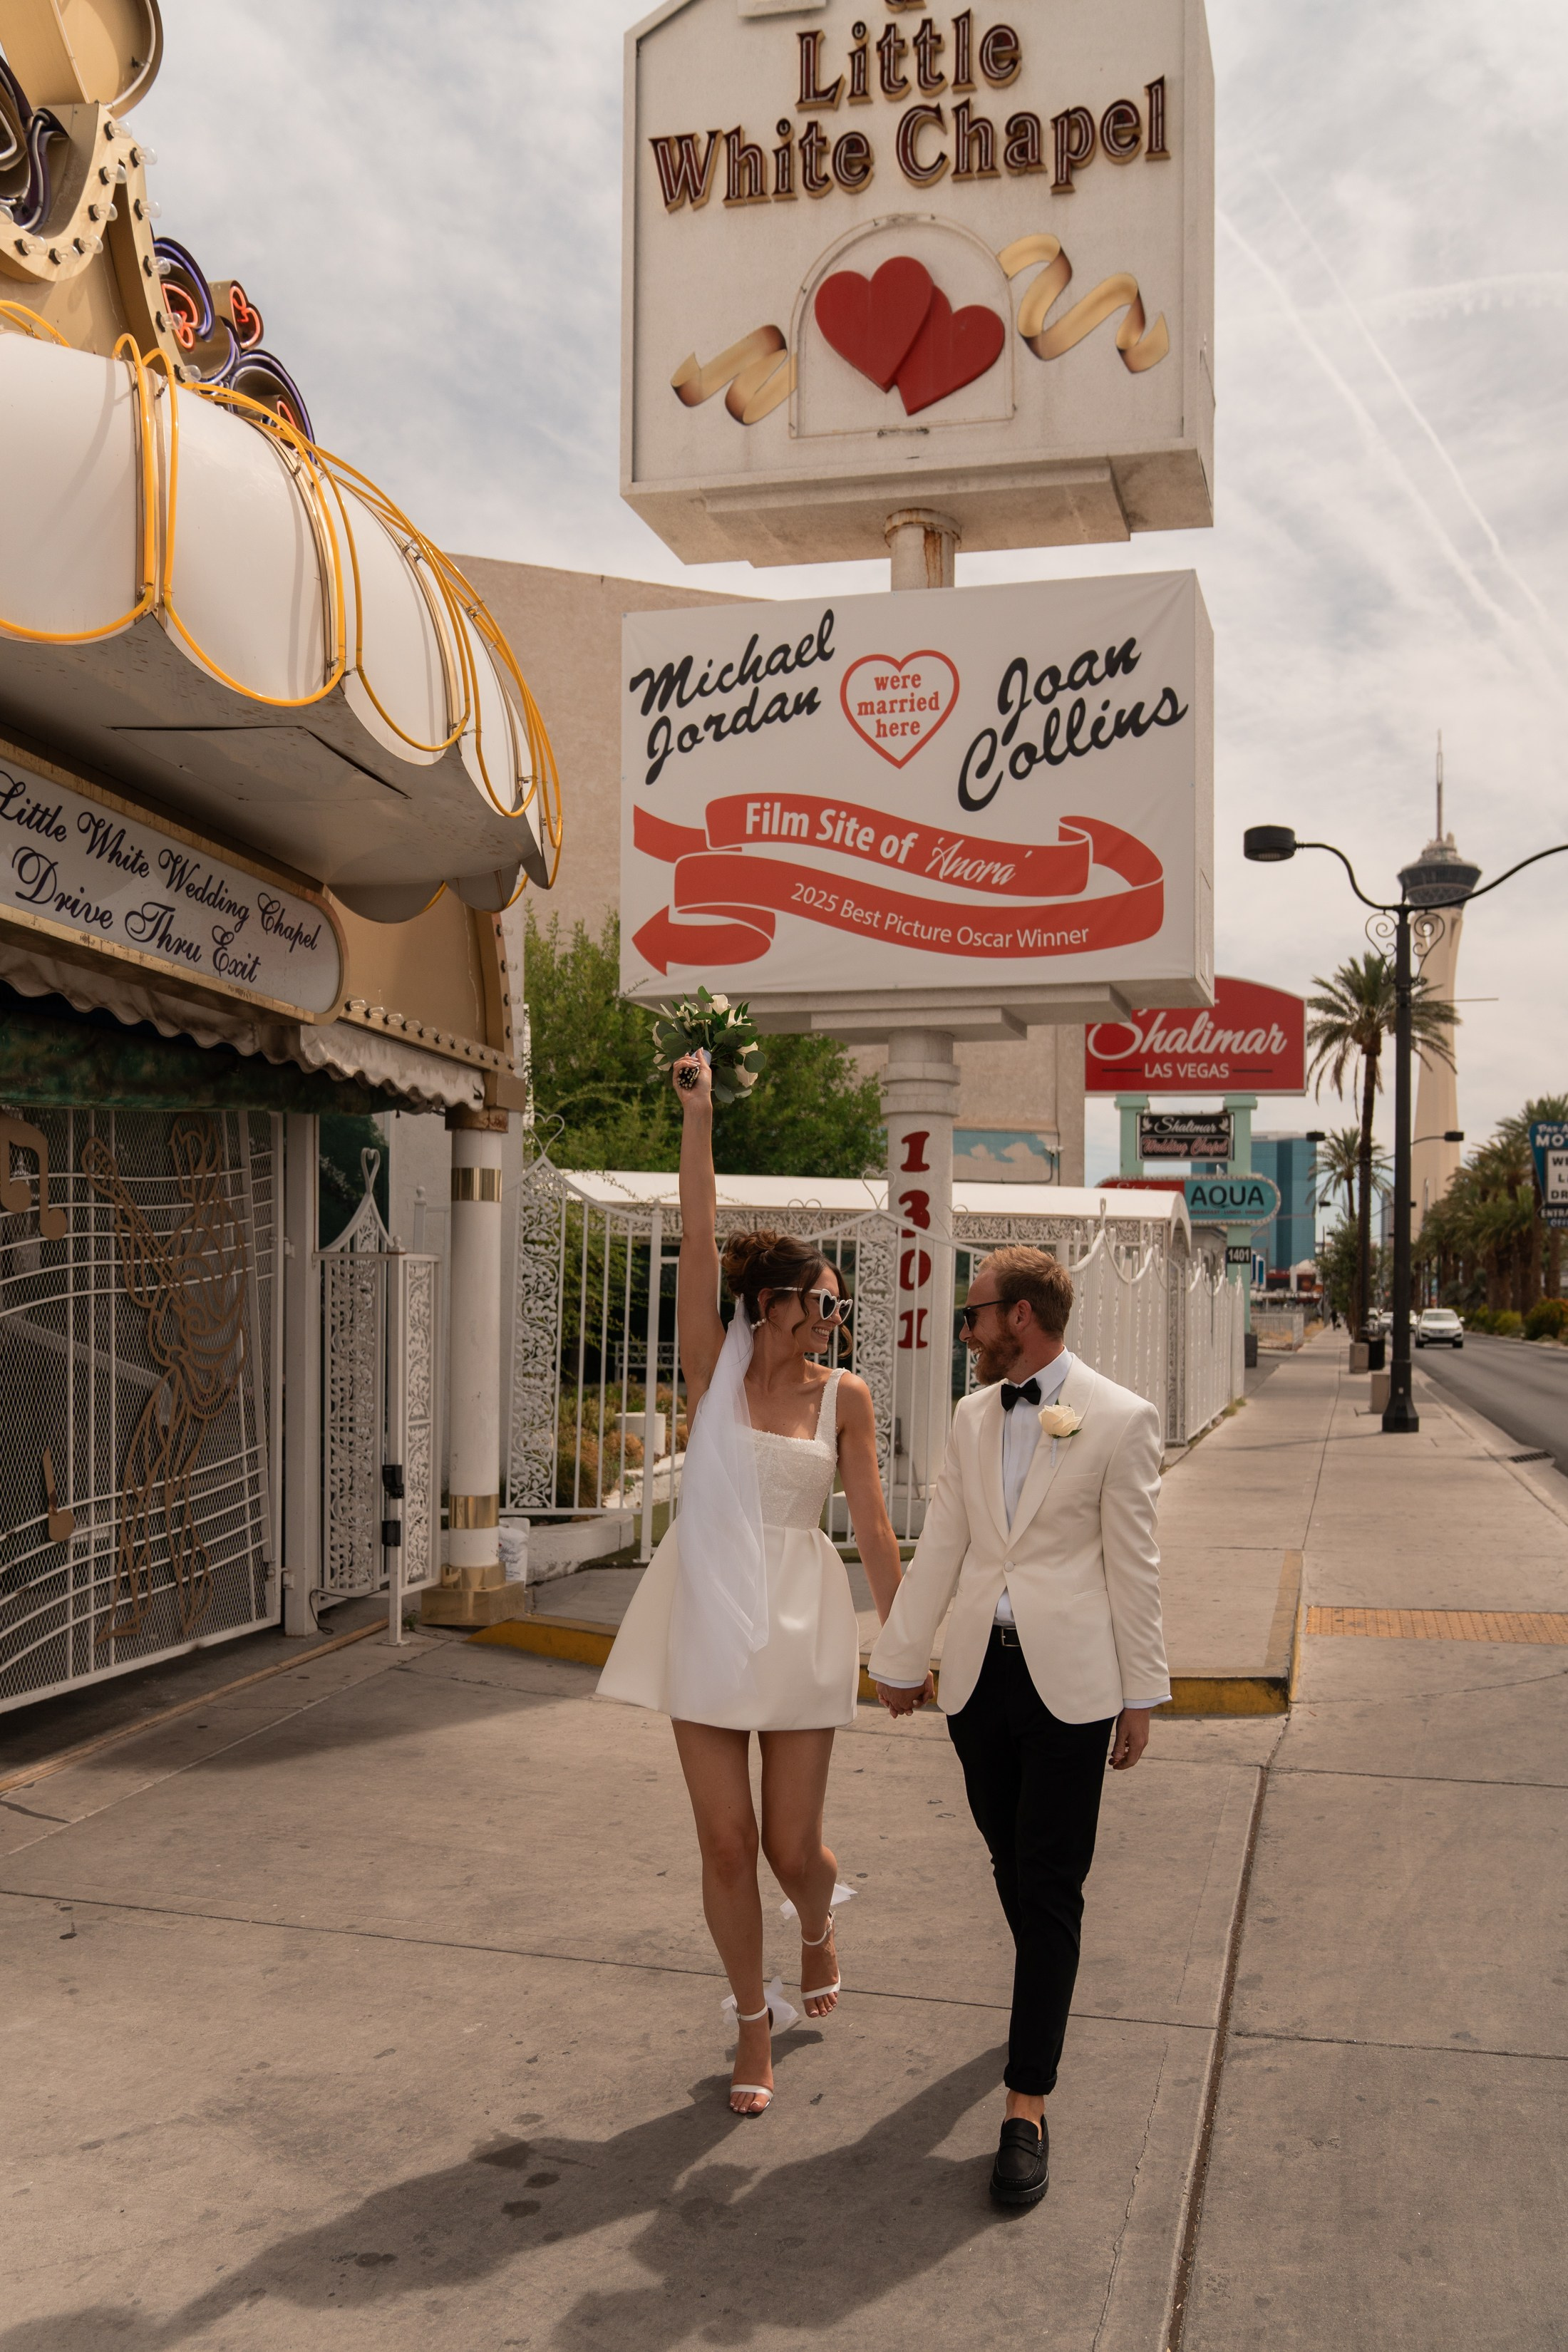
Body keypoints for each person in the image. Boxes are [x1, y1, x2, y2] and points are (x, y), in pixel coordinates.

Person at [597, 1051, 914, 2116]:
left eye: (838, 1306)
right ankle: (751, 2021)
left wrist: (908, 1644)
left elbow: (872, 1527)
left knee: (792, 1848)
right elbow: (697, 1234)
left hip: (799, 1618)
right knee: (726, 1842)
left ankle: (819, 1921)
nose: (833, 1318)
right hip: (705, 1609)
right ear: (769, 1304)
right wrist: (696, 1121)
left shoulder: (848, 1398)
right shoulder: (712, 1372)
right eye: (820, 1303)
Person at [868, 1245, 1169, 2210]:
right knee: (1010, 1863)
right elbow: (947, 1541)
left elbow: (1136, 1565)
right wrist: (901, 1658)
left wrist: (1142, 1692)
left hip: (1073, 1687)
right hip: (981, 1686)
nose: (966, 1331)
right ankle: (1046, 1982)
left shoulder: (1118, 1419)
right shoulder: (970, 1417)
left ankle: (1026, 2103)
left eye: (974, 1315)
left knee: (1048, 1885)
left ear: (1023, 1317)